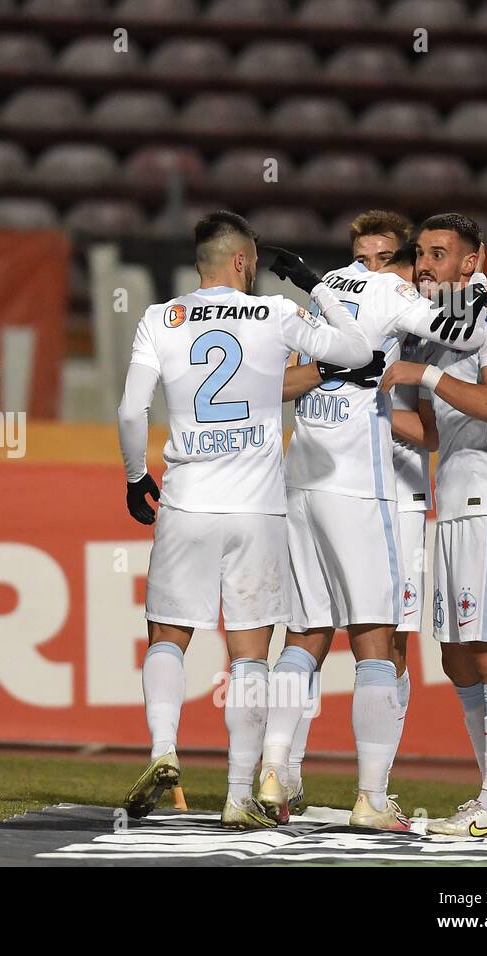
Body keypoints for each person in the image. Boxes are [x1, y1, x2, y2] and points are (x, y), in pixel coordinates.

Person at [116, 211, 370, 828]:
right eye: (253, 261)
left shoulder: (160, 317)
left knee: (168, 636)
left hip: (186, 501)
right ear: (241, 261)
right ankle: (237, 796)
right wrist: (317, 287)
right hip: (258, 508)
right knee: (251, 654)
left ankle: (163, 749)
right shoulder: (276, 314)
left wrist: (134, 476)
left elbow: (129, 412)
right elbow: (361, 352)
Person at [380, 214, 487, 839]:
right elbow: (437, 432)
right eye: (420, 253)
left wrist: (425, 377)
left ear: (472, 262)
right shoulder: (432, 333)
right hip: (453, 510)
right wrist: (370, 413)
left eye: (439, 253)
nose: (424, 264)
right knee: (456, 657)